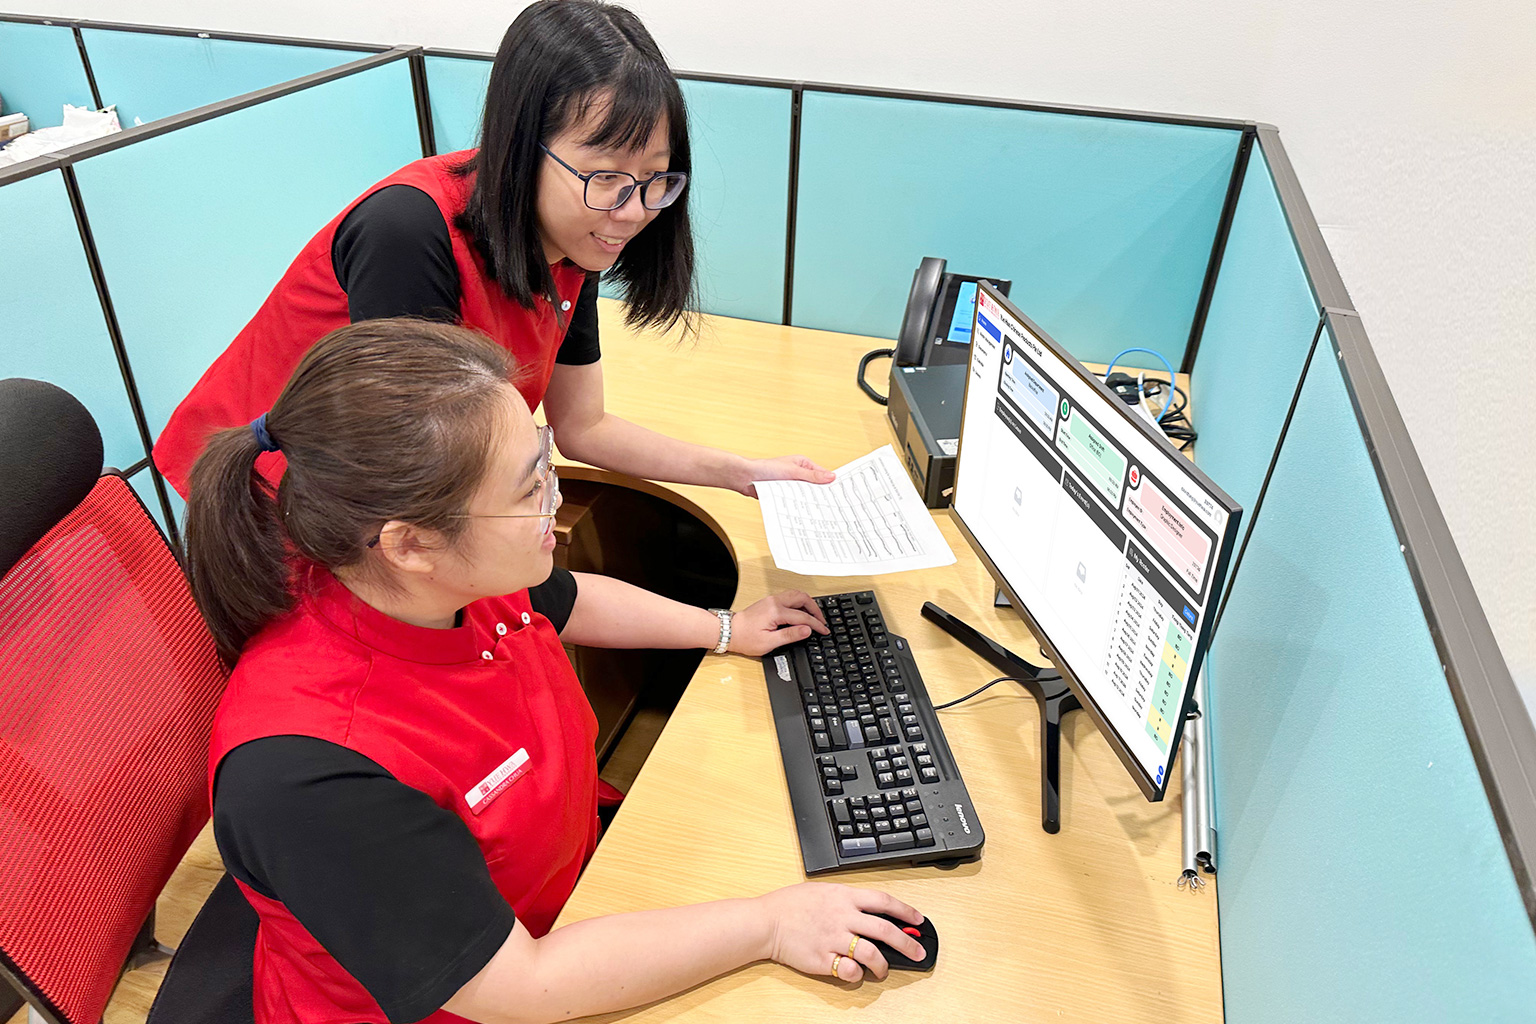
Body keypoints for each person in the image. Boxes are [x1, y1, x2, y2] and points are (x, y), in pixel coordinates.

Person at [186, 320, 926, 1024]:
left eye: (543, 462)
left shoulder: (434, 579)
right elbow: (519, 987)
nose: (555, 500)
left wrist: (727, 629)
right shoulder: (310, 773)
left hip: (566, 894)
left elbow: (564, 601)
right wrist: (768, 925)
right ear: (410, 543)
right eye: (529, 486)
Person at [154, 0, 834, 500]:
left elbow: (582, 426)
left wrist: (742, 475)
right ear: (521, 146)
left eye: (655, 180)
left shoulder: (577, 236)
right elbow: (416, 485)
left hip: (403, 503)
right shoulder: (409, 234)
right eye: (605, 177)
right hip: (278, 499)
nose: (632, 211)